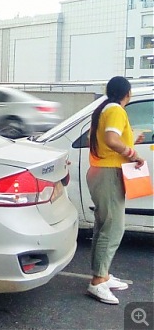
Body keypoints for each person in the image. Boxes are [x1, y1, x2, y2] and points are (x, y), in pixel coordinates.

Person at [85, 76, 145, 304]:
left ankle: (102, 275)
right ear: (127, 93)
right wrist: (133, 154)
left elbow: (98, 138)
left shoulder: (103, 109)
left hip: (101, 171)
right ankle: (98, 281)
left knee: (104, 226)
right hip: (109, 174)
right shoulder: (116, 110)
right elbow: (111, 139)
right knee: (113, 228)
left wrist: (129, 142)